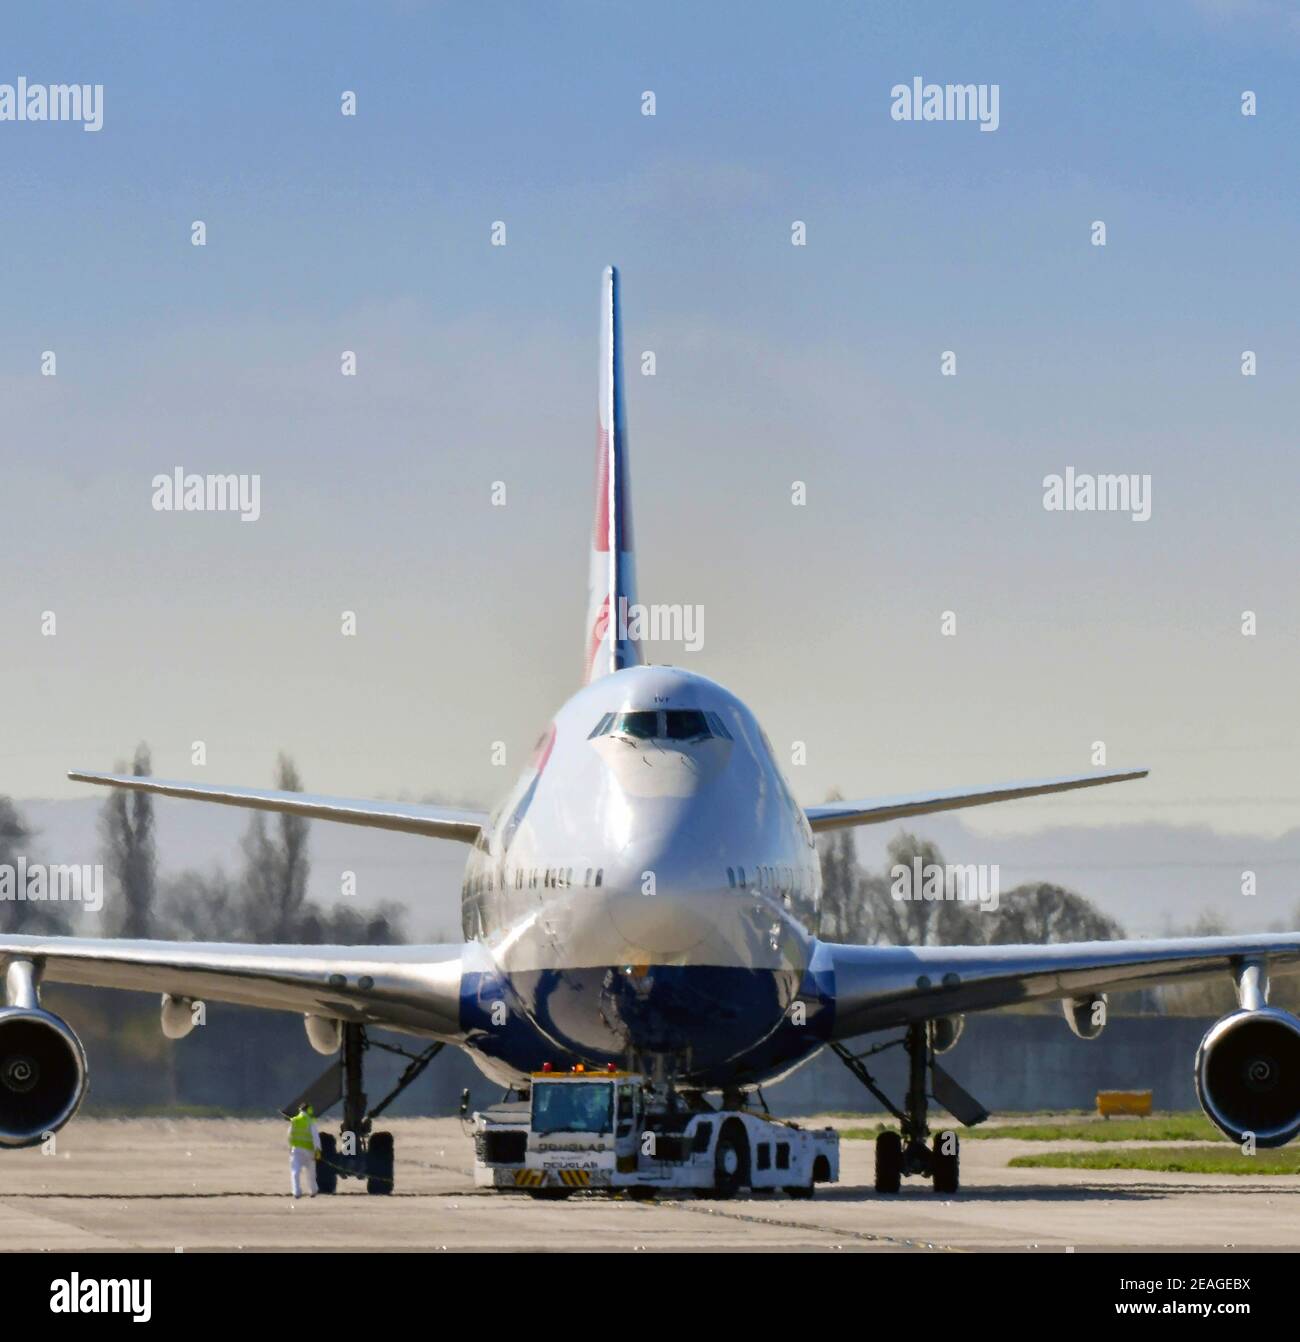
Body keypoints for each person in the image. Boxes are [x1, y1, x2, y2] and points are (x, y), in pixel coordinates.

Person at [288, 1102, 321, 1198]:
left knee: (295, 1172)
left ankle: (296, 1192)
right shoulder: (310, 1121)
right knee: (311, 1172)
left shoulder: (294, 1120)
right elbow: (316, 1137)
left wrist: (290, 1148)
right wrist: (317, 1151)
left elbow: (290, 1135)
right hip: (309, 1151)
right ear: (308, 1110)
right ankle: (313, 1191)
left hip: (296, 1150)